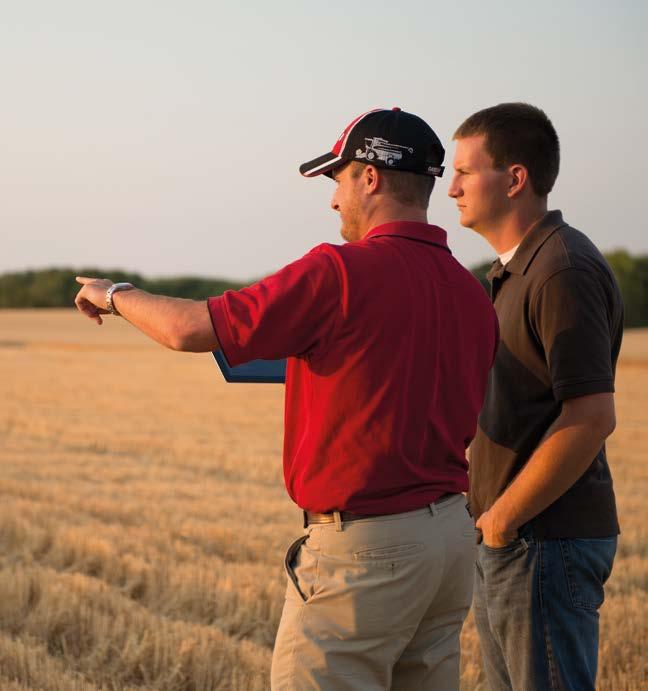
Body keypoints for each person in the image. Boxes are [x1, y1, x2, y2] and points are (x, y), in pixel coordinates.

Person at [75, 107, 498, 691]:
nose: (333, 202)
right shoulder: (469, 290)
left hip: (367, 553)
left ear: (369, 177)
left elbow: (191, 329)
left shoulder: (340, 272)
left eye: (338, 180)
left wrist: (114, 293)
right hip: (449, 542)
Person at [448, 102, 622, 691]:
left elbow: (592, 415)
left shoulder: (560, 270)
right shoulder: (517, 269)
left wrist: (502, 520)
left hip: (542, 541)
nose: (452, 189)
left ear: (515, 178)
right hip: (521, 540)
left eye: (465, 172)